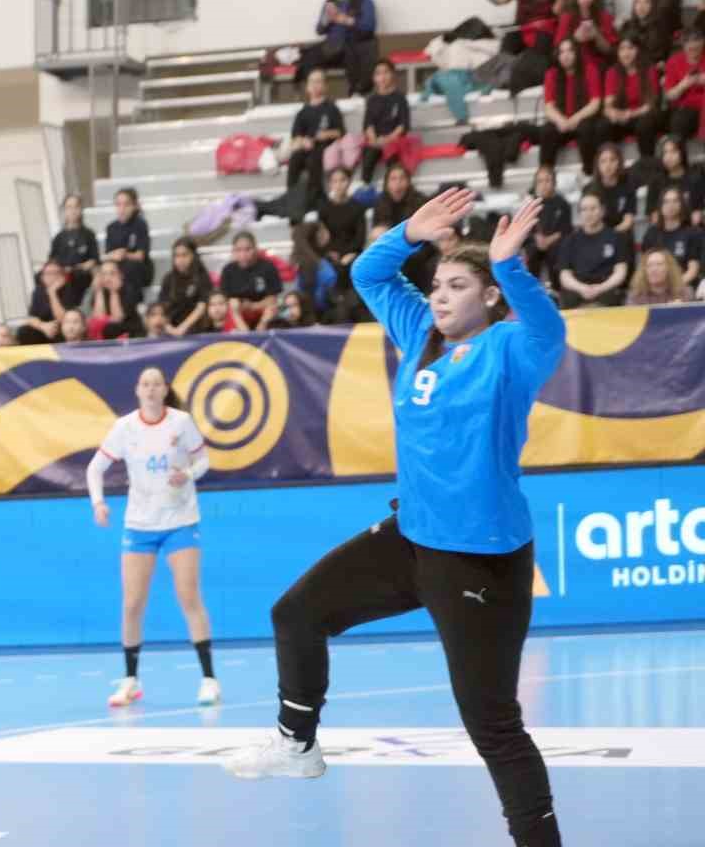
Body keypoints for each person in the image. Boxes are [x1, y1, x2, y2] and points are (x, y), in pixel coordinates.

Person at [226, 189, 565, 847]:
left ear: (490, 298)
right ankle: (298, 744)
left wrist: (510, 266)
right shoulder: (418, 334)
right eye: (437, 284)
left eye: (459, 285)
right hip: (412, 538)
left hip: (479, 560)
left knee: (492, 725)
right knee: (295, 613)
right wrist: (410, 230)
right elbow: (367, 274)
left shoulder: (511, 352)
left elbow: (550, 330)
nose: (439, 296)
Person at [85, 365, 219, 710]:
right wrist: (98, 503)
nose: (150, 389)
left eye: (156, 384)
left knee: (189, 596)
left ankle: (209, 679)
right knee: (132, 603)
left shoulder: (181, 422)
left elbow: (203, 461)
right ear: (137, 390)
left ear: (164, 389)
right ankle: (130, 680)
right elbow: (95, 468)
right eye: (144, 384)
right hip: (139, 525)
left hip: (180, 521)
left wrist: (187, 474)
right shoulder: (125, 427)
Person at [298, 0, 378, 96]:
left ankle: (357, 92)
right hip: (334, 48)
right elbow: (319, 30)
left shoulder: (364, 0)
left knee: (353, 52)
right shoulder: (330, 2)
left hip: (356, 45)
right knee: (309, 56)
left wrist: (345, 20)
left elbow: (369, 27)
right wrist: (326, 19)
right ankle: (313, 93)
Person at [539, 38, 605, 176]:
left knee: (587, 128)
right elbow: (549, 106)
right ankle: (545, 176)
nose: (566, 55)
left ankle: (589, 173)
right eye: (562, 52)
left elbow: (595, 103)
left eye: (570, 51)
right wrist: (561, 121)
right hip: (562, 121)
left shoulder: (590, 70)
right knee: (547, 131)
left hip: (582, 119)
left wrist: (574, 119)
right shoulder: (552, 74)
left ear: (577, 53)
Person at [558, 192, 629, 308]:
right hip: (578, 287)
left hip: (606, 287)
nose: (588, 213)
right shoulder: (570, 240)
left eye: (593, 208)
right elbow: (564, 275)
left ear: (602, 211)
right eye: (584, 209)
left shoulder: (616, 237)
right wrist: (581, 288)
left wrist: (600, 288)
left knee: (611, 298)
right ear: (579, 213)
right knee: (567, 299)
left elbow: (620, 272)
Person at [285, 68, 345, 200]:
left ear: (325, 86)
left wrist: (326, 134)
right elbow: (296, 136)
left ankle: (315, 198)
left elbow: (340, 132)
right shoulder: (302, 112)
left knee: (314, 160)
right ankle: (291, 198)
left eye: (318, 81)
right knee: (295, 158)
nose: (315, 85)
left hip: (325, 146)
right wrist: (303, 141)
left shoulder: (331, 108)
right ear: (307, 87)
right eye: (311, 82)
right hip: (307, 147)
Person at [602, 35, 661, 160]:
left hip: (643, 114)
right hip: (622, 116)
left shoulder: (649, 69)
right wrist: (613, 113)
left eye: (630, 48)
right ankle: (610, 163)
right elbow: (608, 104)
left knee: (645, 125)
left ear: (638, 50)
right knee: (603, 126)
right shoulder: (612, 72)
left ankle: (647, 163)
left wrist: (629, 114)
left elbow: (651, 104)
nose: (626, 53)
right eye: (622, 49)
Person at [640, 186, 702, 290]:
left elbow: (693, 271)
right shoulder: (651, 233)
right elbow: (644, 266)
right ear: (660, 206)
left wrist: (671, 288)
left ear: (682, 205)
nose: (670, 205)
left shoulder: (693, 233)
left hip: (683, 285)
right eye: (666, 202)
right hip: (655, 288)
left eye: (675, 201)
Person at [359, 59, 410, 183]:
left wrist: (388, 139)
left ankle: (394, 186)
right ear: (374, 78)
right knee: (369, 153)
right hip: (376, 140)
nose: (382, 77)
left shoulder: (400, 98)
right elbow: (368, 124)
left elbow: (403, 125)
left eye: (386, 72)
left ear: (392, 74)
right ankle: (365, 185)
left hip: (394, 140)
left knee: (392, 154)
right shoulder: (371, 100)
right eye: (378, 73)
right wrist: (374, 140)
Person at [219, 231, 282, 330]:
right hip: (238, 313)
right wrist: (238, 308)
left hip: (261, 309)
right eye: (238, 250)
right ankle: (246, 335)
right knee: (232, 305)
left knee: (272, 309)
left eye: (248, 249)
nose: (243, 254)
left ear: (255, 249)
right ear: (233, 251)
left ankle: (259, 334)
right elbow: (227, 299)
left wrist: (253, 306)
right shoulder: (228, 270)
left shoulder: (268, 267)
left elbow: (272, 298)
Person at [522, 166, 572, 284]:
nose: (544, 184)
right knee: (531, 252)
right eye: (540, 181)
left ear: (554, 182)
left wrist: (549, 240)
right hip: (535, 241)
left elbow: (566, 229)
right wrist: (536, 237)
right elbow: (526, 228)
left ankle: (556, 287)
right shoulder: (531, 203)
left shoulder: (562, 204)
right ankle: (532, 285)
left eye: (547, 180)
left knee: (556, 253)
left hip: (555, 241)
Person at [157, 236, 214, 338]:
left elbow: (201, 307)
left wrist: (182, 329)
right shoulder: (168, 278)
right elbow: (162, 307)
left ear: (193, 256)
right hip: (171, 329)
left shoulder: (202, 277)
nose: (180, 260)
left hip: (196, 329)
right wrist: (169, 328)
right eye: (177, 256)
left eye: (184, 255)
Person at [48, 193, 98, 306]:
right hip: (62, 274)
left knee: (76, 277)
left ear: (81, 210)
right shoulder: (58, 238)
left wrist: (81, 266)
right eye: (69, 207)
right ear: (64, 211)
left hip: (81, 274)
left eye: (76, 206)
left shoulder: (89, 234)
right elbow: (52, 261)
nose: (73, 210)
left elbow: (94, 260)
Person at [102, 187, 152, 291]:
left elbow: (140, 255)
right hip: (117, 267)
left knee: (129, 269)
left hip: (139, 268)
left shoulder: (140, 225)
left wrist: (125, 254)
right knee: (107, 271)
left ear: (134, 206)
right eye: (118, 204)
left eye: (126, 204)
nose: (122, 208)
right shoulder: (111, 227)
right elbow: (108, 255)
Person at [18, 259, 73, 345]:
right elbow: (31, 318)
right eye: (48, 274)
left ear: (62, 276)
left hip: (63, 327)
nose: (52, 277)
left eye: (55, 273)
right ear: (42, 277)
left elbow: (63, 319)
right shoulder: (38, 291)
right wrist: (43, 326)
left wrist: (52, 293)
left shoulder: (68, 290)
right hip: (44, 327)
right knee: (24, 331)